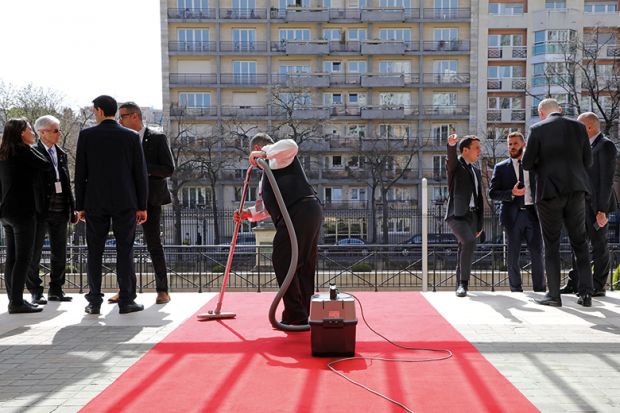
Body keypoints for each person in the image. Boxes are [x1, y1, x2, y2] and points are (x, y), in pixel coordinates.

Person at [234, 133, 323, 325]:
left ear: (257, 148)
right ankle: (304, 312)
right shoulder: (266, 175)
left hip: (301, 211)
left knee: (283, 259)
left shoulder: (278, 158)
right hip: (304, 213)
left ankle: (296, 314)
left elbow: (291, 145)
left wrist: (264, 153)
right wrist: (248, 214)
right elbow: (267, 207)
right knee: (301, 264)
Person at [74, 95, 148, 315]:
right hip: (125, 201)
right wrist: (142, 205)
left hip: (95, 202)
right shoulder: (131, 137)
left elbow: (80, 175)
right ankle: (126, 300)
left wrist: (81, 205)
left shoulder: (86, 136)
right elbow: (140, 174)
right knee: (125, 250)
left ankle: (94, 301)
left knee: (94, 251)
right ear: (114, 111)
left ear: (98, 110)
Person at [522, 98, 593, 307]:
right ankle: (586, 293)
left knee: (551, 244)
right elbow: (588, 161)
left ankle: (554, 295)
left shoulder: (537, 129)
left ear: (541, 112)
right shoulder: (580, 128)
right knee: (580, 243)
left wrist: (540, 164)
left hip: (549, 193)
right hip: (576, 191)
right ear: (560, 110)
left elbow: (526, 164)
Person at [114, 102, 175, 305]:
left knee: (153, 244)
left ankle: (162, 289)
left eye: (122, 117)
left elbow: (168, 168)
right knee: (124, 245)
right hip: (125, 199)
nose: (119, 121)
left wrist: (142, 168)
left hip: (150, 199)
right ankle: (125, 289)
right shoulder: (121, 140)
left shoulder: (156, 137)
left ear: (135, 116)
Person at [560, 112, 617, 297]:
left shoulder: (605, 145)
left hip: (597, 206)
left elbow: (606, 181)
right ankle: (576, 282)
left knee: (599, 245)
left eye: (579, 126)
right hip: (580, 204)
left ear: (589, 127)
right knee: (579, 243)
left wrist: (602, 210)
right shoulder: (584, 146)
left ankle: (599, 285)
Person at [0, 118, 51, 313]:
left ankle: (14, 299)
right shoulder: (24, 151)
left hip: (6, 212)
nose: (33, 132)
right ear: (21, 132)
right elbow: (46, 163)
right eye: (30, 129)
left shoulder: (4, 153)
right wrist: (33, 145)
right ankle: (17, 302)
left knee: (12, 258)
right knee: (23, 258)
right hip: (23, 212)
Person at [27, 115, 78, 305]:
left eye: (59, 130)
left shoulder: (61, 153)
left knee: (60, 252)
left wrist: (73, 208)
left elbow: (66, 183)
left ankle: (56, 289)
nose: (59, 134)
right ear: (42, 132)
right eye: (55, 130)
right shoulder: (33, 152)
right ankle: (35, 290)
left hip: (60, 210)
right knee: (35, 252)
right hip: (41, 211)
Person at [489, 132, 546, 292]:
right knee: (512, 256)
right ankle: (516, 289)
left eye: (515, 143)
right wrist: (511, 193)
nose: (512, 147)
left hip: (533, 215)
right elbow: (492, 193)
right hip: (512, 217)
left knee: (537, 254)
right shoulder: (500, 168)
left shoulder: (535, 165)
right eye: (509, 144)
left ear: (523, 144)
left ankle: (540, 289)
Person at [445, 134, 484, 297]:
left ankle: (459, 286)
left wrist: (480, 224)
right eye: (476, 148)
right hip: (456, 215)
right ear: (465, 150)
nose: (479, 151)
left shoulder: (476, 171)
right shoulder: (456, 167)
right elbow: (452, 161)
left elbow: (479, 197)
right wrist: (451, 146)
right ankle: (464, 284)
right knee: (468, 242)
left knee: (464, 248)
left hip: (473, 217)